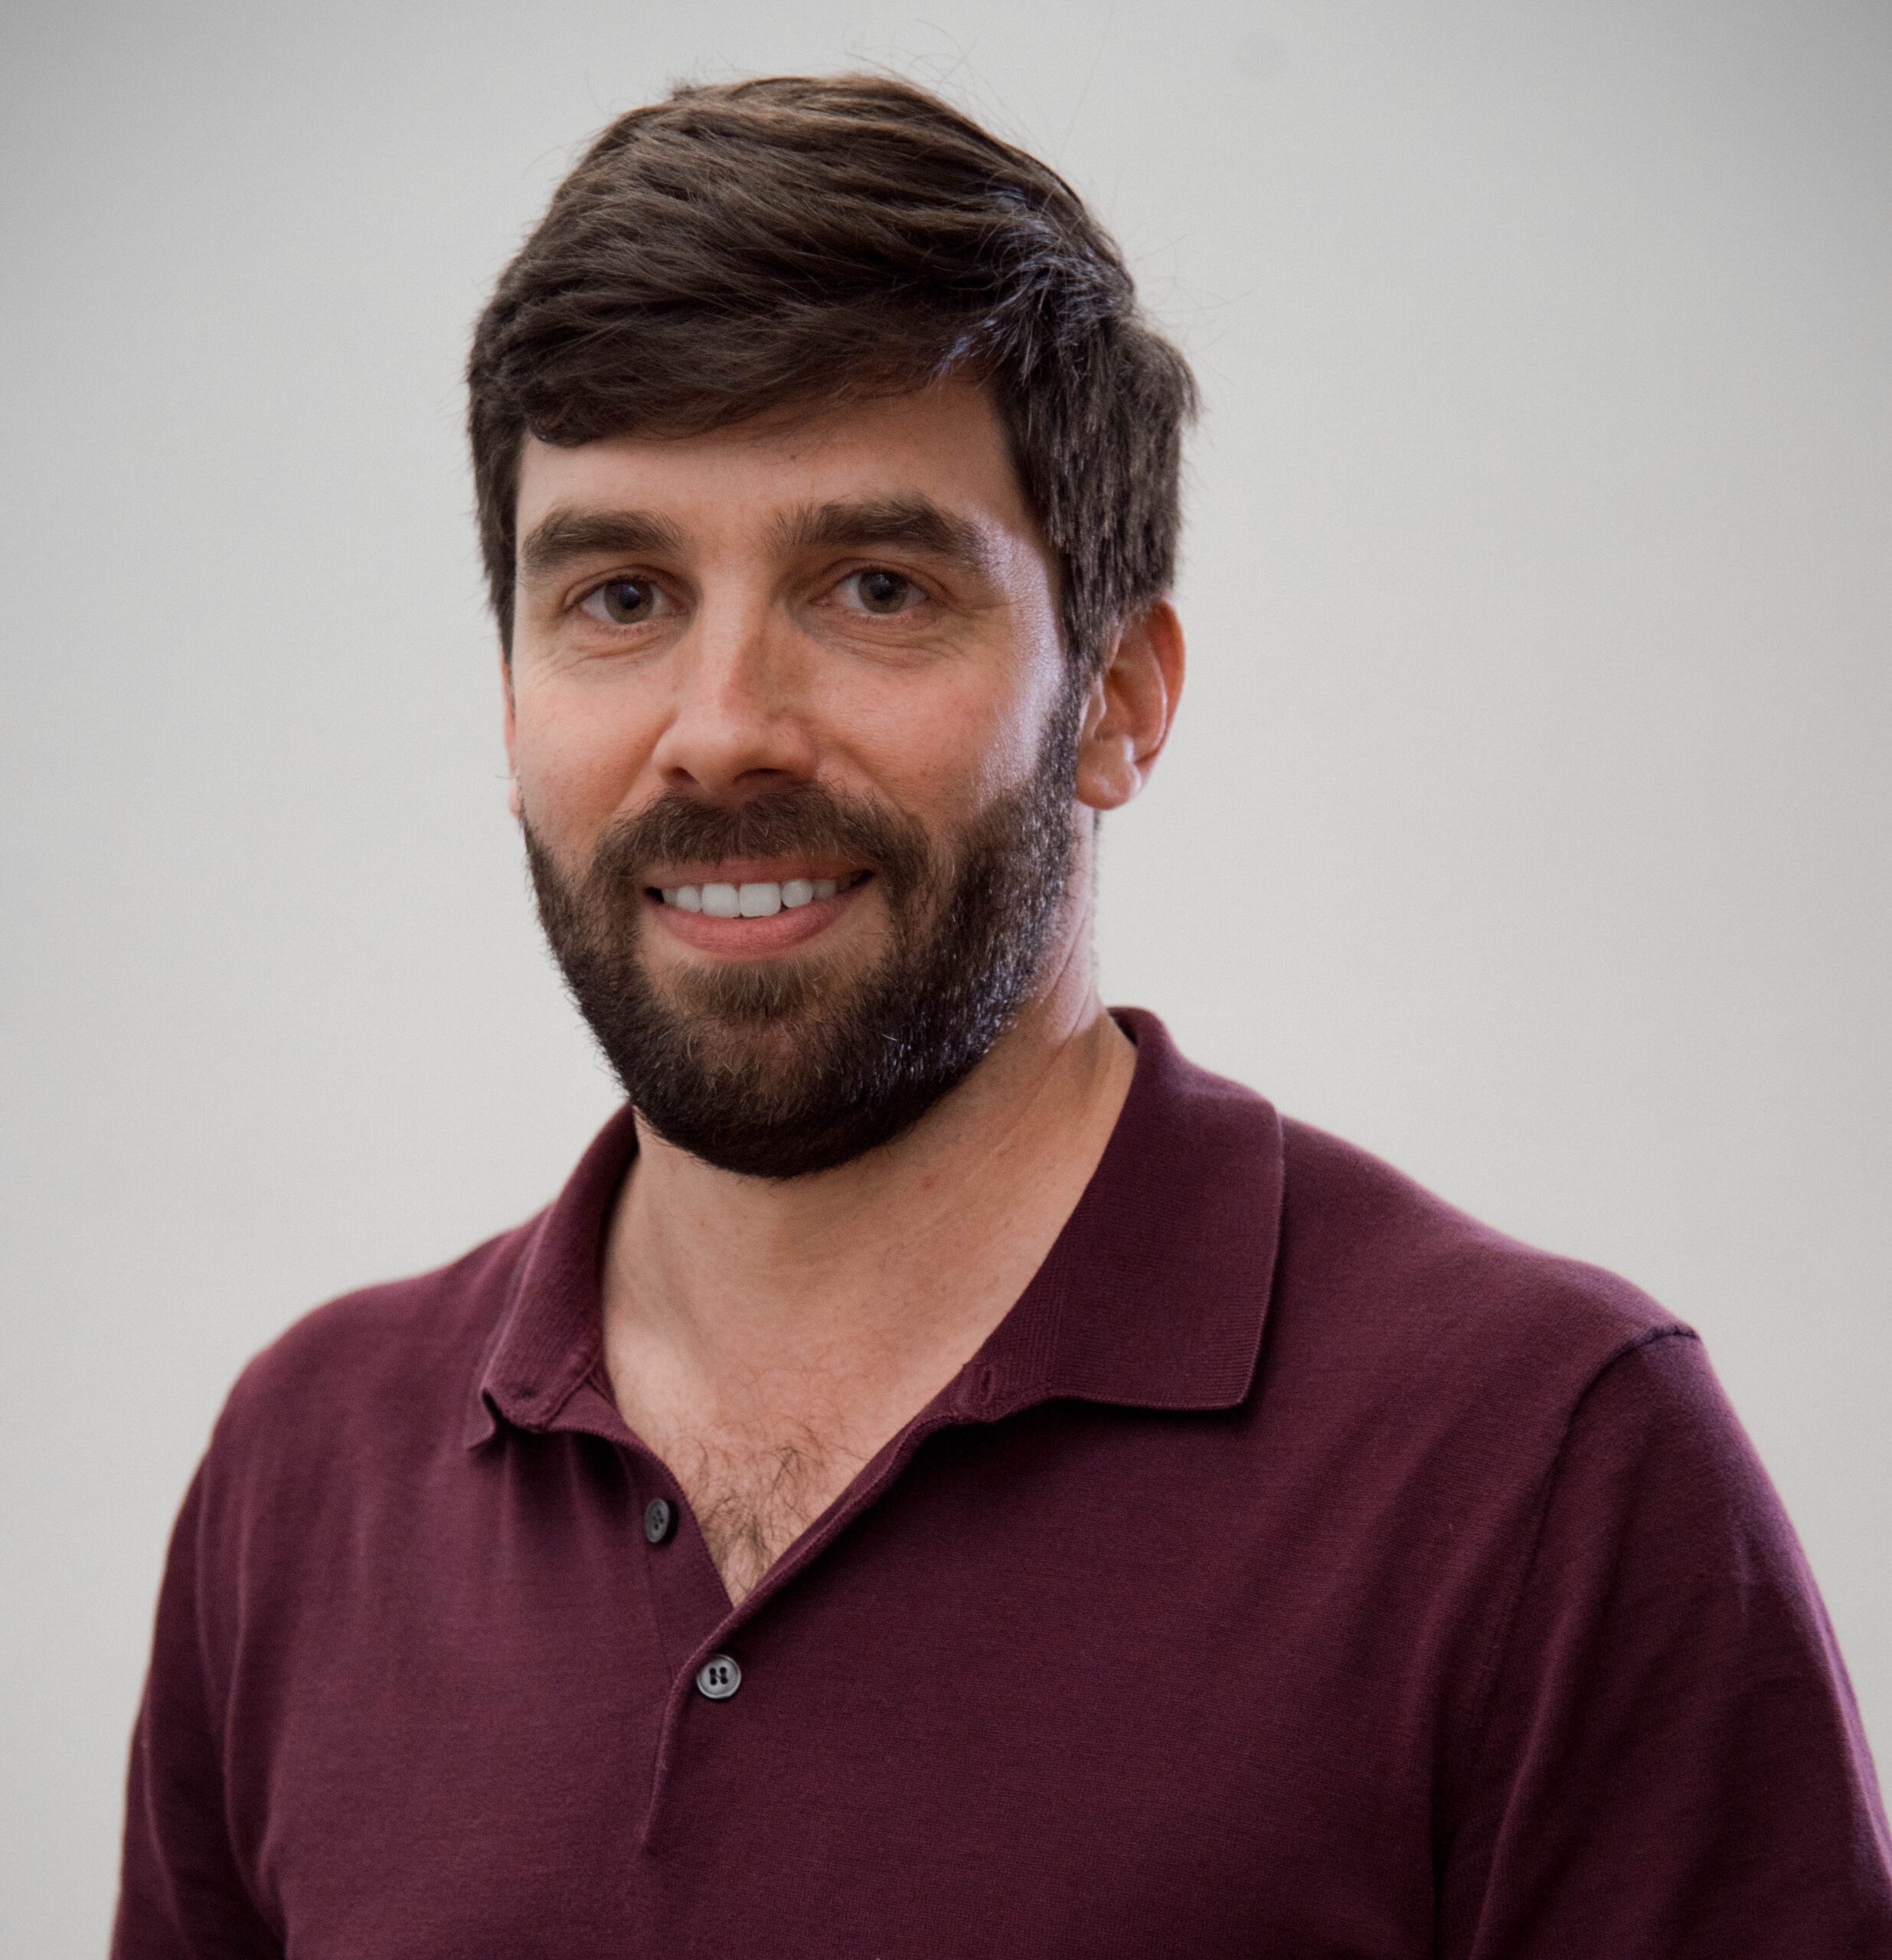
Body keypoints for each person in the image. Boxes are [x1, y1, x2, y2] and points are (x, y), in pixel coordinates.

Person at [113, 73, 1891, 1958]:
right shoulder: (302, 1470)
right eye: (621, 596)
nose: (721, 726)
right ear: (510, 697)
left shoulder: (1543, 1462)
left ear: (1118, 694)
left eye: (874, 587)